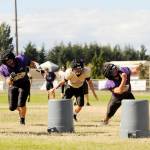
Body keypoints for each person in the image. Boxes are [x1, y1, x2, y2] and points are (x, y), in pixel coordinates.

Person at [0, 50, 37, 125]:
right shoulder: (3, 68)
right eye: (7, 62)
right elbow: (8, 82)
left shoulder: (21, 59)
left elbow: (31, 63)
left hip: (24, 83)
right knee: (12, 107)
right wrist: (10, 78)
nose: (10, 62)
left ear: (13, 58)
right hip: (13, 85)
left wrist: (36, 66)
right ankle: (21, 110)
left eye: (10, 60)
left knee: (21, 103)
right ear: (5, 63)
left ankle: (22, 120)